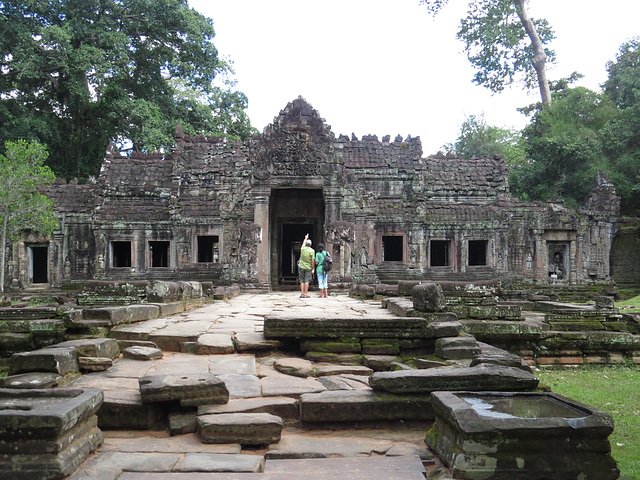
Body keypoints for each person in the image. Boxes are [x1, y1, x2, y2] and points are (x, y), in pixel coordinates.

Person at [298, 233, 315, 298]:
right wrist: (313, 268)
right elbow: (312, 260)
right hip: (308, 267)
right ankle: (305, 294)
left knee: (301, 280)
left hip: (301, 266)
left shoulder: (302, 249)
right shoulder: (312, 251)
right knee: (307, 280)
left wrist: (306, 238)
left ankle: (302, 293)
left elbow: (303, 243)